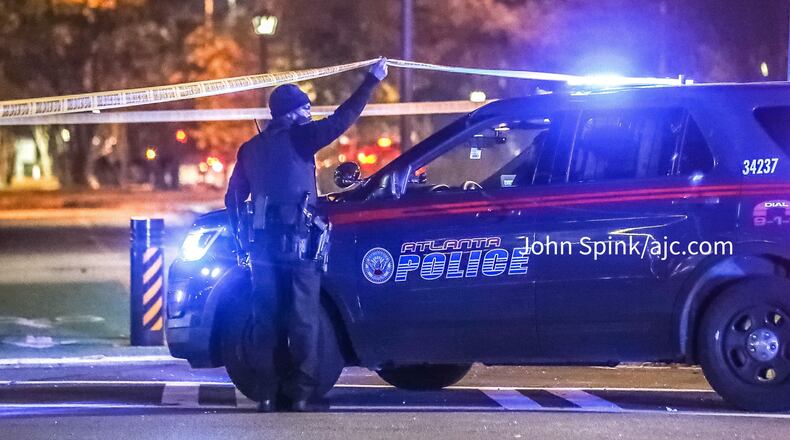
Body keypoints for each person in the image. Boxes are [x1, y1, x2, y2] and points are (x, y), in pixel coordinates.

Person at [225, 58, 388, 412]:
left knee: (265, 319)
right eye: (306, 108)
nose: (311, 114)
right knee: (302, 319)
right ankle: (299, 394)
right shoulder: (301, 138)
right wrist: (370, 81)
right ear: (293, 113)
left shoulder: (249, 149)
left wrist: (242, 236)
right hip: (299, 247)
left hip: (262, 249)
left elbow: (233, 197)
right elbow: (343, 119)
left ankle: (266, 394)